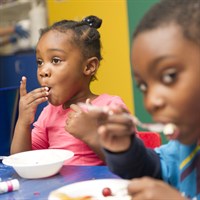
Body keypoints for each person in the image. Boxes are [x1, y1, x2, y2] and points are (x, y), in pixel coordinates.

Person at [93, 0, 199, 199]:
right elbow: (159, 170)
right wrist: (126, 150)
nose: (150, 101)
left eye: (169, 76)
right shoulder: (186, 145)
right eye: (143, 86)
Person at [10, 15, 129, 166]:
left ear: (89, 67)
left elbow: (129, 163)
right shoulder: (49, 113)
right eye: (40, 62)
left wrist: (91, 135)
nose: (43, 71)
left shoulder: (110, 107)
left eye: (55, 60)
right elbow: (22, 162)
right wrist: (23, 123)